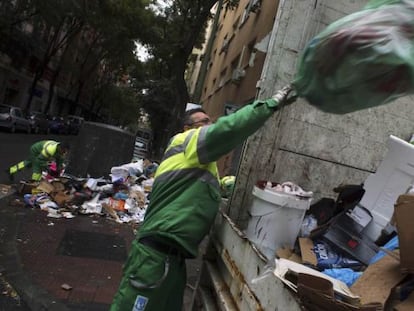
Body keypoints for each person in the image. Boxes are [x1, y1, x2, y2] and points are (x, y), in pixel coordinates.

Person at [110, 86, 296, 311]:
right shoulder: (185, 140)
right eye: (203, 122)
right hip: (154, 257)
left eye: (210, 121)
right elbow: (227, 129)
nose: (209, 126)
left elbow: (214, 187)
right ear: (188, 128)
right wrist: (269, 104)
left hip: (172, 261)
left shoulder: (199, 164)